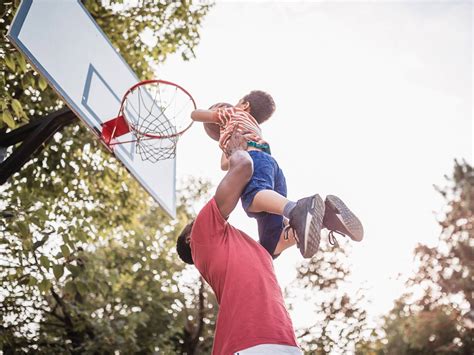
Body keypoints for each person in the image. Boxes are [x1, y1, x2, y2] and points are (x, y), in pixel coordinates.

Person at [190, 93, 363, 259]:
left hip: (255, 160)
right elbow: (224, 163)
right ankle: (328, 217)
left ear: (244, 105)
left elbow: (196, 114)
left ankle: (296, 209)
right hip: (271, 166)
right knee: (270, 245)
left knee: (252, 197)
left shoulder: (230, 113)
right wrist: (224, 135)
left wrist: (210, 115)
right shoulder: (251, 126)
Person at [176, 131, 302, 354]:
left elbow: (286, 239)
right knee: (251, 198)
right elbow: (243, 168)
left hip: (284, 343)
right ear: (190, 238)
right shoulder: (201, 237)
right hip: (246, 344)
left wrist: (319, 220)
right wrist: (234, 150)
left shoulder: (253, 249)